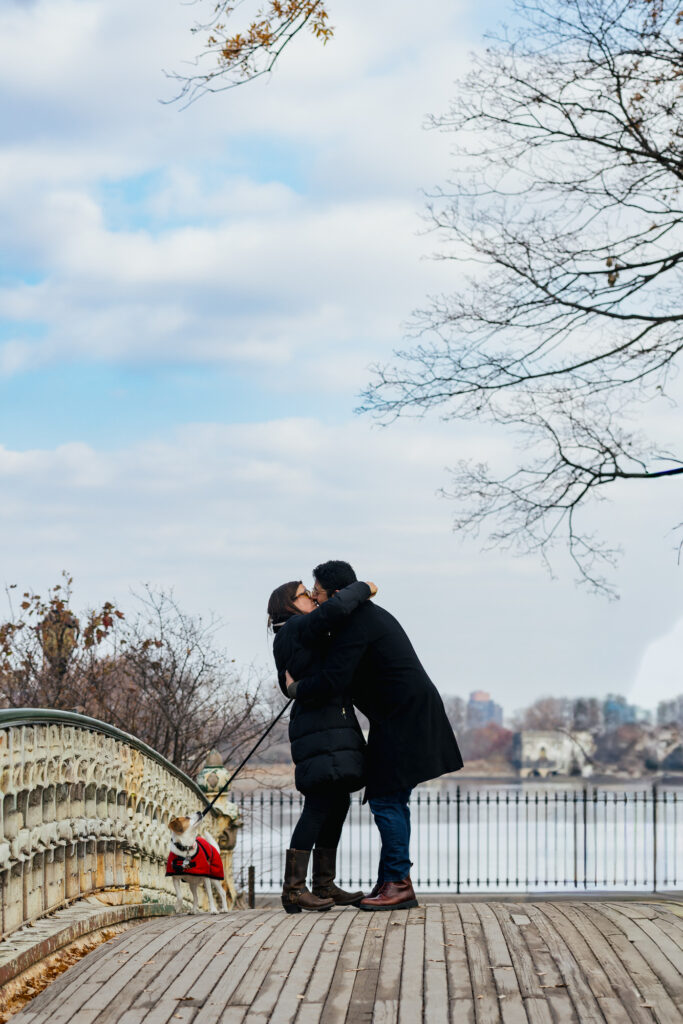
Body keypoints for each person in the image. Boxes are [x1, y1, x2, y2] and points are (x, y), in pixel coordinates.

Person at [286, 560, 463, 911]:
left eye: (317, 593)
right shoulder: (366, 616)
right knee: (392, 799)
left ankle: (397, 884)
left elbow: (336, 678)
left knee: (386, 800)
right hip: (402, 714)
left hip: (403, 717)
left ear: (335, 595)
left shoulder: (356, 623)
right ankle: (391, 880)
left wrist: (296, 688)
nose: (316, 601)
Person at [267, 577, 376, 914]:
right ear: (290, 604)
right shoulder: (297, 626)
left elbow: (291, 685)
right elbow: (337, 608)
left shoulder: (296, 630)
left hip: (325, 724)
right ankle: (294, 890)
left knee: (338, 801)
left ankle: (324, 884)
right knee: (318, 803)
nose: (313, 598)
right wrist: (364, 587)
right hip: (319, 728)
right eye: (305, 594)